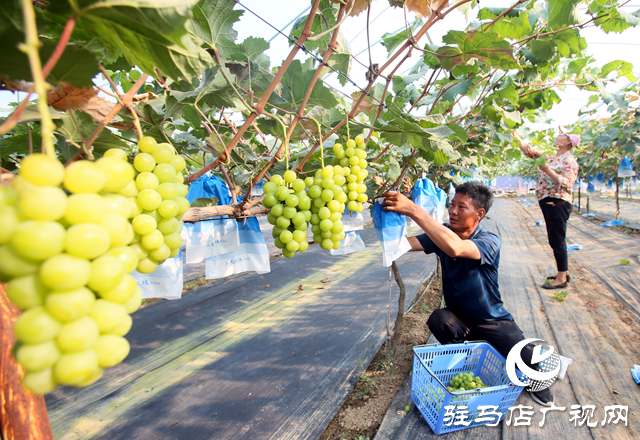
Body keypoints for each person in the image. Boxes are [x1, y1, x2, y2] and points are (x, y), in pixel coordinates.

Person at [382, 181, 554, 406]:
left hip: (491, 320)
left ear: (479, 214)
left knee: (526, 358)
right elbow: (403, 245)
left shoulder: (489, 241)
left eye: (461, 207)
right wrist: (384, 222)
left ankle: (535, 378)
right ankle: (469, 359)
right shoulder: (443, 233)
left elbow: (455, 248)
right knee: (439, 319)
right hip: (459, 318)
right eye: (452, 205)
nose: (453, 211)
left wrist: (414, 210)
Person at [514, 132, 580, 289]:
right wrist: (515, 136)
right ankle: (562, 272)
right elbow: (530, 151)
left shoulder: (569, 161)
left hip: (558, 202)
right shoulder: (550, 156)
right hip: (548, 200)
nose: (557, 136)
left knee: (557, 239)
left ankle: (562, 278)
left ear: (568, 142)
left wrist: (548, 170)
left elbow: (568, 184)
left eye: (562, 135)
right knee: (554, 238)